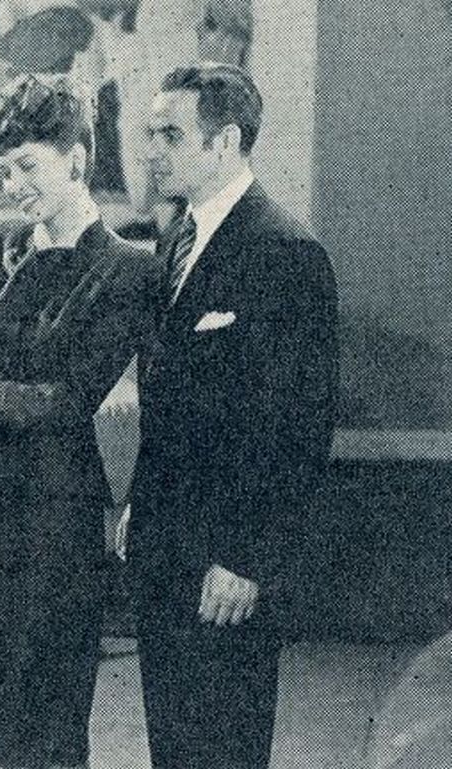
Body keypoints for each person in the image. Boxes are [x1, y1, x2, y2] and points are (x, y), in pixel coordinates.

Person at [0, 73, 154, 769]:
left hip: (53, 514)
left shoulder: (127, 270)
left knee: (46, 713)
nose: (13, 183)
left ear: (77, 159)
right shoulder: (1, 242)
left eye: (27, 167)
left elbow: (66, 399)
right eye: (3, 169)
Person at [114, 63, 339, 768]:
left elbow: (296, 428)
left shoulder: (284, 251)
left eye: (169, 133)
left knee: (221, 748)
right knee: (175, 748)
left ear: (226, 141)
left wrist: (245, 557)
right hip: (164, 548)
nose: (151, 148)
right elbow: (172, 399)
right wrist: (138, 503)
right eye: (150, 131)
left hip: (225, 563)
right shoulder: (176, 239)